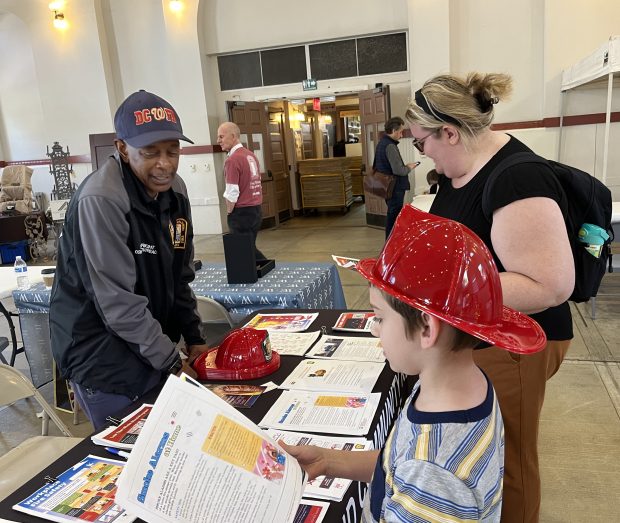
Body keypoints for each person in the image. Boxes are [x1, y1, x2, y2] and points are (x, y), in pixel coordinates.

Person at [282, 205, 546, 522]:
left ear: (425, 329)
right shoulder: (459, 385)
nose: (373, 328)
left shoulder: (434, 472)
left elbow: (419, 468)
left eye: (379, 317)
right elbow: (399, 462)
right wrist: (328, 460)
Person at [405, 72, 574, 523]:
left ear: (449, 132)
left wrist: (442, 287)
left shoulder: (516, 177)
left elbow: (550, 285)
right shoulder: (461, 174)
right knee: (484, 449)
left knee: (509, 458)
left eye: (422, 145)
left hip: (517, 343)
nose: (425, 158)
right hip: (478, 336)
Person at [50, 90, 208, 431]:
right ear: (122, 148)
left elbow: (180, 274)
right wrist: (171, 361)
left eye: (173, 150)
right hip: (101, 358)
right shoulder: (101, 199)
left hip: (148, 347)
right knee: (129, 457)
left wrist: (194, 339)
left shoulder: (175, 192)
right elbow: (117, 304)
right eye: (150, 152)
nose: (164, 163)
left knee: (171, 443)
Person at [216, 122, 266, 261]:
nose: (218, 140)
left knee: (244, 249)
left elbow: (232, 192)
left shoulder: (232, 160)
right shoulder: (251, 155)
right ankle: (261, 271)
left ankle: (267, 267)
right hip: (255, 210)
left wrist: (230, 212)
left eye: (221, 136)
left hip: (242, 213)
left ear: (233, 136)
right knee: (249, 247)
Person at [373, 116, 418, 238]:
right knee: (393, 217)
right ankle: (391, 244)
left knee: (392, 215)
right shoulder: (390, 146)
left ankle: (390, 242)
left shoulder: (381, 143)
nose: (401, 135)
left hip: (386, 186)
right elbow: (398, 170)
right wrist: (409, 167)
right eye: (400, 132)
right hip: (395, 187)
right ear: (393, 130)